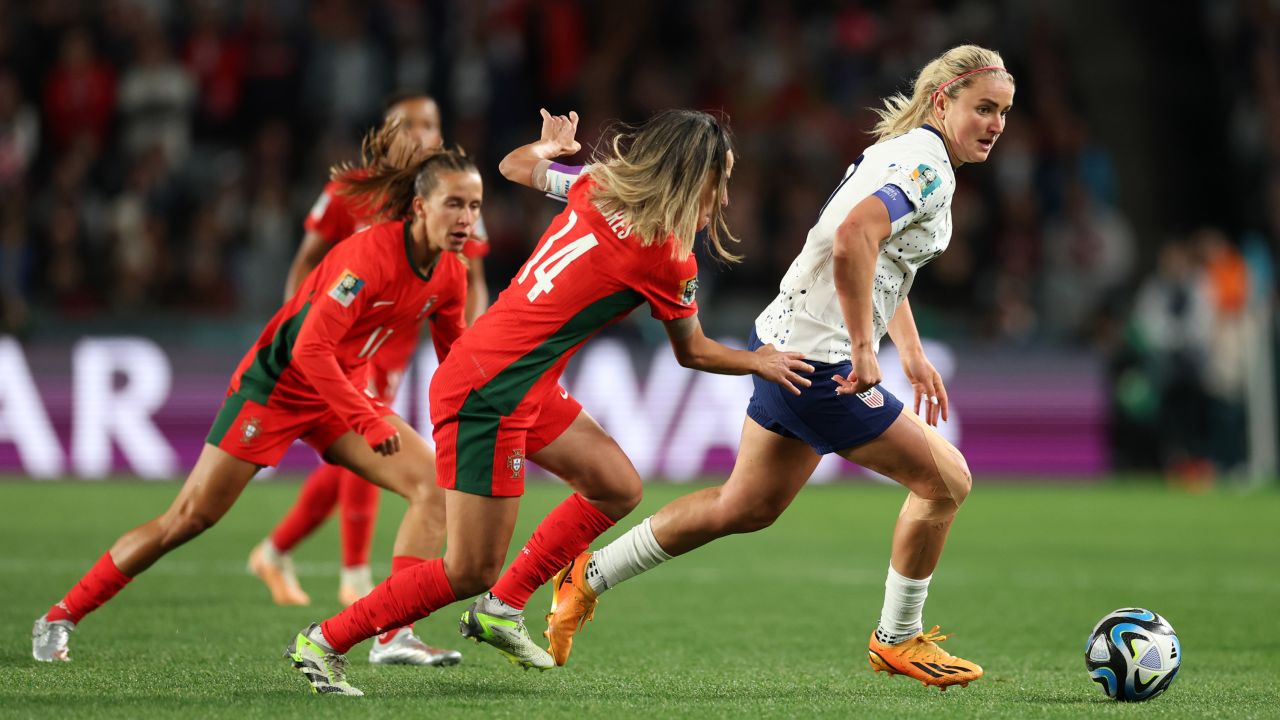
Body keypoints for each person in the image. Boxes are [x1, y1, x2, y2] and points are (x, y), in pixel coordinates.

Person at [284, 108, 815, 696]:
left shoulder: (597, 184)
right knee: (468, 568)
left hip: (514, 376)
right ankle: (325, 640)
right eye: (722, 177)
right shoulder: (664, 256)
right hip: (492, 392)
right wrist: (758, 361)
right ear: (693, 176)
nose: (724, 193)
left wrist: (546, 148)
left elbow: (513, 166)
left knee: (616, 486)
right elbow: (693, 352)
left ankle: (502, 608)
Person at [542, 45, 1014, 691]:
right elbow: (853, 240)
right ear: (942, 100)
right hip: (823, 365)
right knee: (946, 481)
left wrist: (909, 348)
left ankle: (586, 576)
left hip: (785, 350)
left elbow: (878, 255)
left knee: (745, 506)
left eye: (1004, 112)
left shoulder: (900, 153)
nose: (995, 124)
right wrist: (865, 348)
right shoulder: (926, 170)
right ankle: (898, 638)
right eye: (983, 107)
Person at [31, 150, 482, 687]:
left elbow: (456, 361)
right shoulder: (367, 257)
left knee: (431, 485)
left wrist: (484, 416)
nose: (466, 219)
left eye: (474, 206)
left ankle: (393, 634)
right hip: (276, 388)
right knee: (189, 518)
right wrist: (366, 418)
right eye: (454, 204)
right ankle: (60, 616)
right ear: (418, 207)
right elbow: (310, 351)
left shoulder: (452, 275)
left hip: (338, 394)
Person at [246, 95, 484, 669]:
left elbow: (469, 275)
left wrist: (473, 341)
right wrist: (297, 321)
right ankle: (357, 582)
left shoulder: (456, 197)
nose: (423, 133)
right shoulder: (351, 190)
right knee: (380, 447)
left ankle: (279, 552)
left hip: (397, 339)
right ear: (388, 133)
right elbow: (308, 261)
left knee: (376, 458)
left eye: (432, 123)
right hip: (342, 340)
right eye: (411, 124)